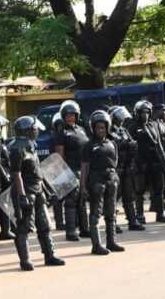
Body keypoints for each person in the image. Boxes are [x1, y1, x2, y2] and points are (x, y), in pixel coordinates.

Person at [9, 116, 66, 271]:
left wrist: (47, 190)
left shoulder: (31, 145)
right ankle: (25, 260)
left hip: (38, 189)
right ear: (27, 130)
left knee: (45, 225)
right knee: (24, 227)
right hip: (26, 191)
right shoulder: (16, 148)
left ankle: (49, 255)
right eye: (34, 129)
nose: (37, 131)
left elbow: (37, 170)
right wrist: (21, 196)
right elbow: (16, 174)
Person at [80, 111, 125, 254]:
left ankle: (111, 242)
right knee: (95, 214)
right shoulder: (88, 145)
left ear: (107, 127)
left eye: (103, 127)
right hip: (96, 181)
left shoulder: (112, 143)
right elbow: (84, 166)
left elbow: (115, 162)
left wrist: (114, 178)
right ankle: (96, 245)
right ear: (93, 128)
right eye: (97, 127)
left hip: (111, 180)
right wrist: (83, 187)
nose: (100, 130)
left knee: (111, 213)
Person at [55, 100, 90, 241]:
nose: (71, 117)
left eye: (73, 115)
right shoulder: (61, 132)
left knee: (82, 199)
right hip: (70, 169)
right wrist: (63, 174)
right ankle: (70, 231)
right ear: (63, 116)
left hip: (83, 169)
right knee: (71, 201)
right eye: (68, 115)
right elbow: (59, 155)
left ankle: (84, 229)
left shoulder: (81, 129)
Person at [131, 100, 165, 223]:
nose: (145, 115)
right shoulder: (133, 127)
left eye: (147, 112)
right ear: (137, 113)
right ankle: (140, 215)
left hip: (155, 162)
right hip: (141, 163)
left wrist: (163, 158)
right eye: (142, 112)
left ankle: (160, 213)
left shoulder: (153, 125)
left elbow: (159, 143)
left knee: (159, 189)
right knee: (139, 191)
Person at [109, 105, 144, 231]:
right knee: (113, 197)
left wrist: (132, 145)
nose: (122, 120)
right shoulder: (108, 131)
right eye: (119, 118)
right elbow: (113, 146)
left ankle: (132, 221)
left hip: (128, 166)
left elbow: (132, 142)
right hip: (116, 168)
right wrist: (126, 144)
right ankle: (113, 222)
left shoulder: (123, 130)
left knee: (129, 195)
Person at [152, 103, 165, 211]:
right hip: (157, 157)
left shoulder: (162, 122)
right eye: (163, 110)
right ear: (156, 111)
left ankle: (161, 201)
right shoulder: (151, 123)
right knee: (159, 182)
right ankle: (156, 204)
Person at [51, 112, 66, 231]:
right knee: (58, 197)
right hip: (57, 167)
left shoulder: (65, 135)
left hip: (66, 167)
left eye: (62, 124)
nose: (60, 126)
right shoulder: (55, 136)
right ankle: (59, 222)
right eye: (58, 125)